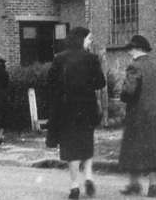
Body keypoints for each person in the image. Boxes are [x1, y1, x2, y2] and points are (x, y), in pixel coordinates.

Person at [47, 27, 105, 199]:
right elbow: (100, 83)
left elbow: (50, 81)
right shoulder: (91, 58)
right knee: (86, 143)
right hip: (87, 108)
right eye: (88, 39)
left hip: (66, 110)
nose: (90, 42)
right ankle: (88, 176)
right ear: (81, 39)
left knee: (70, 147)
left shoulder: (59, 58)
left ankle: (74, 186)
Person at [118, 35, 156, 198]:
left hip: (138, 115)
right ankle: (153, 186)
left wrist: (122, 95)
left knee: (132, 148)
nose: (129, 53)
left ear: (137, 49)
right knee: (153, 149)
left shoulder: (135, 66)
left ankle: (134, 184)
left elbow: (129, 92)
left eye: (130, 49)